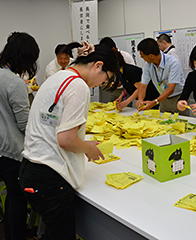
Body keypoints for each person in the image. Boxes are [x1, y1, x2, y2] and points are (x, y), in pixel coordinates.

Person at [18, 41, 120, 240]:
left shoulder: (59, 77)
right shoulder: (78, 85)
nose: (100, 84)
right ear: (97, 65)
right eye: (105, 78)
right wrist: (87, 148)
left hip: (30, 169)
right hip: (51, 176)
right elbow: (65, 139)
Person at [0, 31, 39, 240]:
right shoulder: (14, 83)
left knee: (10, 196)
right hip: (10, 150)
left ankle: (9, 233)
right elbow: (25, 124)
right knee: (17, 197)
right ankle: (16, 236)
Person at [135, 38, 189, 115]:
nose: (142, 58)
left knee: (180, 124)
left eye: (142, 56)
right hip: (162, 99)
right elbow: (143, 85)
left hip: (178, 99)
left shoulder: (173, 62)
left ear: (151, 56)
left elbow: (171, 89)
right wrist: (140, 100)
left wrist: (154, 102)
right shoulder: (148, 65)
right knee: (164, 124)